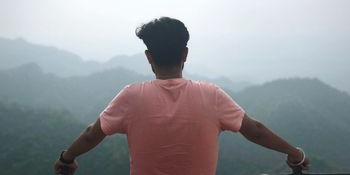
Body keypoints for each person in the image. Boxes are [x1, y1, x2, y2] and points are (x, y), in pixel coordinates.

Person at [54, 17, 310, 175]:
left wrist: (67, 159)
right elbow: (255, 130)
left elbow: (91, 133)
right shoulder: (212, 95)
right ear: (185, 54)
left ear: (149, 57)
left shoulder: (130, 97)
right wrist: (294, 153)